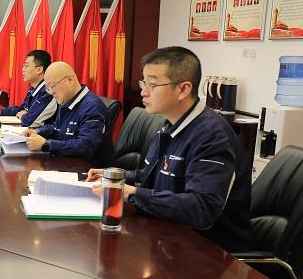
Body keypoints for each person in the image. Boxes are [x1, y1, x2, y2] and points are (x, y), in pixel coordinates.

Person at [86, 46, 251, 252]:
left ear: (183, 89)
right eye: (144, 83)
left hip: (209, 251)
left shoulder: (212, 136)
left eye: (152, 85)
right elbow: (151, 175)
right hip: (167, 235)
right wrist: (115, 178)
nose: (143, 92)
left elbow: (201, 208)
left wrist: (129, 193)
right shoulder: (169, 124)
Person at [23, 61, 114, 166]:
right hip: (67, 163)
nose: (51, 92)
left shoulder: (92, 107)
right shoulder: (66, 101)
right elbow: (57, 128)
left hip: (89, 169)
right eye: (48, 89)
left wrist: (46, 145)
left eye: (53, 86)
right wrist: (37, 131)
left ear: (70, 80)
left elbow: (86, 146)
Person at [0, 49, 57, 127]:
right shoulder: (33, 89)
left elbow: (31, 120)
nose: (22, 70)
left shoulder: (48, 91)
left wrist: (23, 115)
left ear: (39, 69)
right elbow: (22, 109)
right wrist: (0, 111)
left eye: (26, 66)